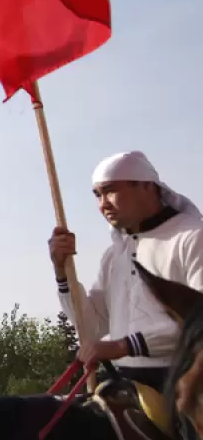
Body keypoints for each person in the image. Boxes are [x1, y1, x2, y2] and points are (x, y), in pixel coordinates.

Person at [49, 151, 203, 391]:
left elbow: (199, 323)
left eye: (110, 190)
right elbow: (92, 328)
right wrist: (62, 272)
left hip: (185, 388)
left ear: (146, 187)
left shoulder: (192, 238)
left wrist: (123, 346)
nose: (103, 204)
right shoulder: (113, 256)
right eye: (98, 195)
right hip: (124, 384)